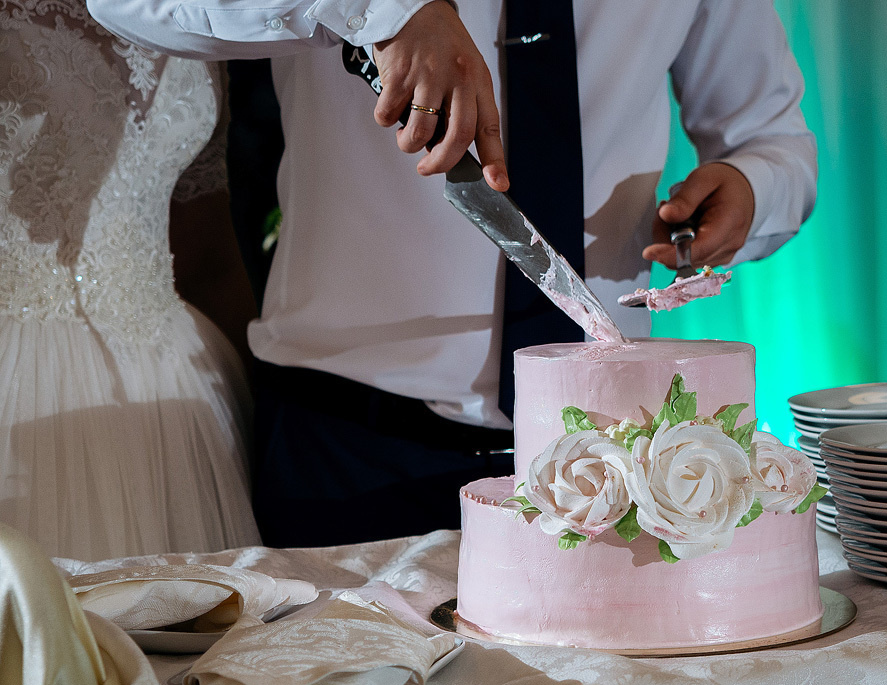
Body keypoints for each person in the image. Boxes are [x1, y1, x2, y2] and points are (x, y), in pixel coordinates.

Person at [88, 0, 818, 548]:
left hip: (614, 458)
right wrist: (386, 7)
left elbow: (773, 138)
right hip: (349, 455)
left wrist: (752, 189)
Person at [0, 2, 262, 560]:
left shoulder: (202, 12)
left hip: (177, 387)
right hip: (19, 375)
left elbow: (207, 248)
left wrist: (268, 414)